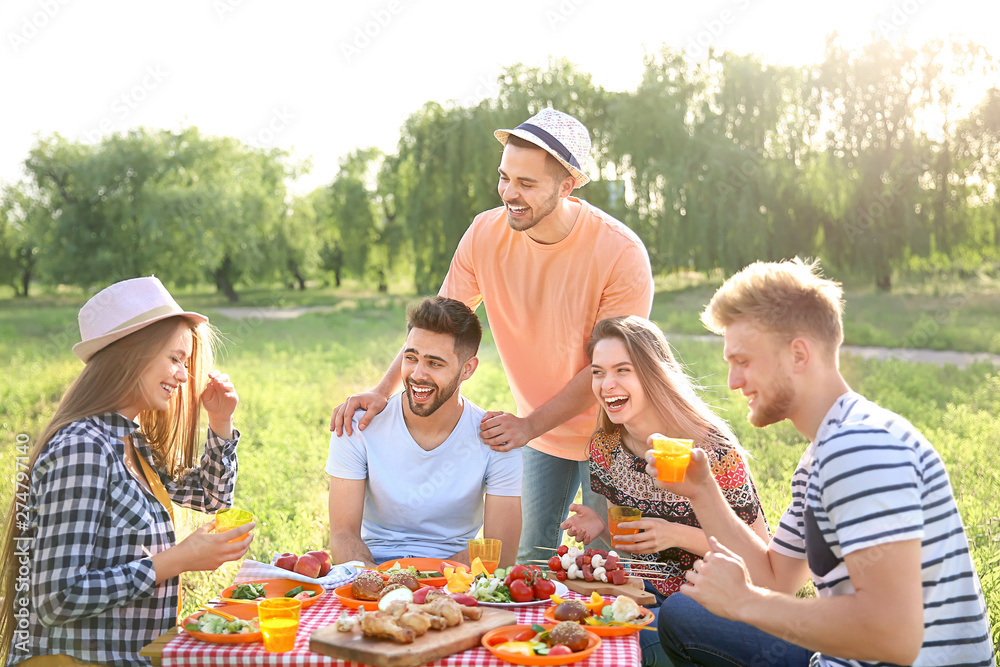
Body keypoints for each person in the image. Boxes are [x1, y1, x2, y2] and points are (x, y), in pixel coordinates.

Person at [331, 108, 654, 564]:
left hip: (615, 432)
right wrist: (382, 391)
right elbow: (437, 331)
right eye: (504, 177)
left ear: (567, 186)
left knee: (606, 567)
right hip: (539, 435)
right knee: (525, 562)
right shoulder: (485, 234)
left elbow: (607, 372)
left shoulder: (620, 254)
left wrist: (528, 426)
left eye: (526, 183)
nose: (509, 193)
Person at [646, 259, 995, 666]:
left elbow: (893, 636)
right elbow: (774, 579)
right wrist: (702, 490)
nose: (732, 382)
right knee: (685, 615)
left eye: (742, 361)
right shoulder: (824, 452)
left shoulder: (858, 448)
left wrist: (746, 602)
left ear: (798, 355)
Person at [0, 276, 252, 667]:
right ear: (131, 355)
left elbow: (212, 498)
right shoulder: (83, 447)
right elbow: (55, 598)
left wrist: (220, 421)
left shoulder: (132, 443)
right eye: (174, 359)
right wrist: (177, 559)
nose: (184, 376)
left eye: (185, 363)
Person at [561, 316, 769, 667]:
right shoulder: (606, 448)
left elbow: (760, 556)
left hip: (715, 601)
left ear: (653, 373)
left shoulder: (712, 450)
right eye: (598, 372)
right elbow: (633, 540)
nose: (607, 384)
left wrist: (675, 534)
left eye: (622, 370)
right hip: (646, 594)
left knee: (641, 642)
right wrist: (603, 526)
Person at [326, 297, 522, 568]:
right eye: (411, 357)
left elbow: (498, 553)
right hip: (372, 566)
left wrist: (422, 586)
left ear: (468, 369)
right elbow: (342, 535)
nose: (417, 374)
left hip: (453, 575)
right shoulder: (357, 425)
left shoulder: (496, 438)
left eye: (434, 363)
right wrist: (377, 582)